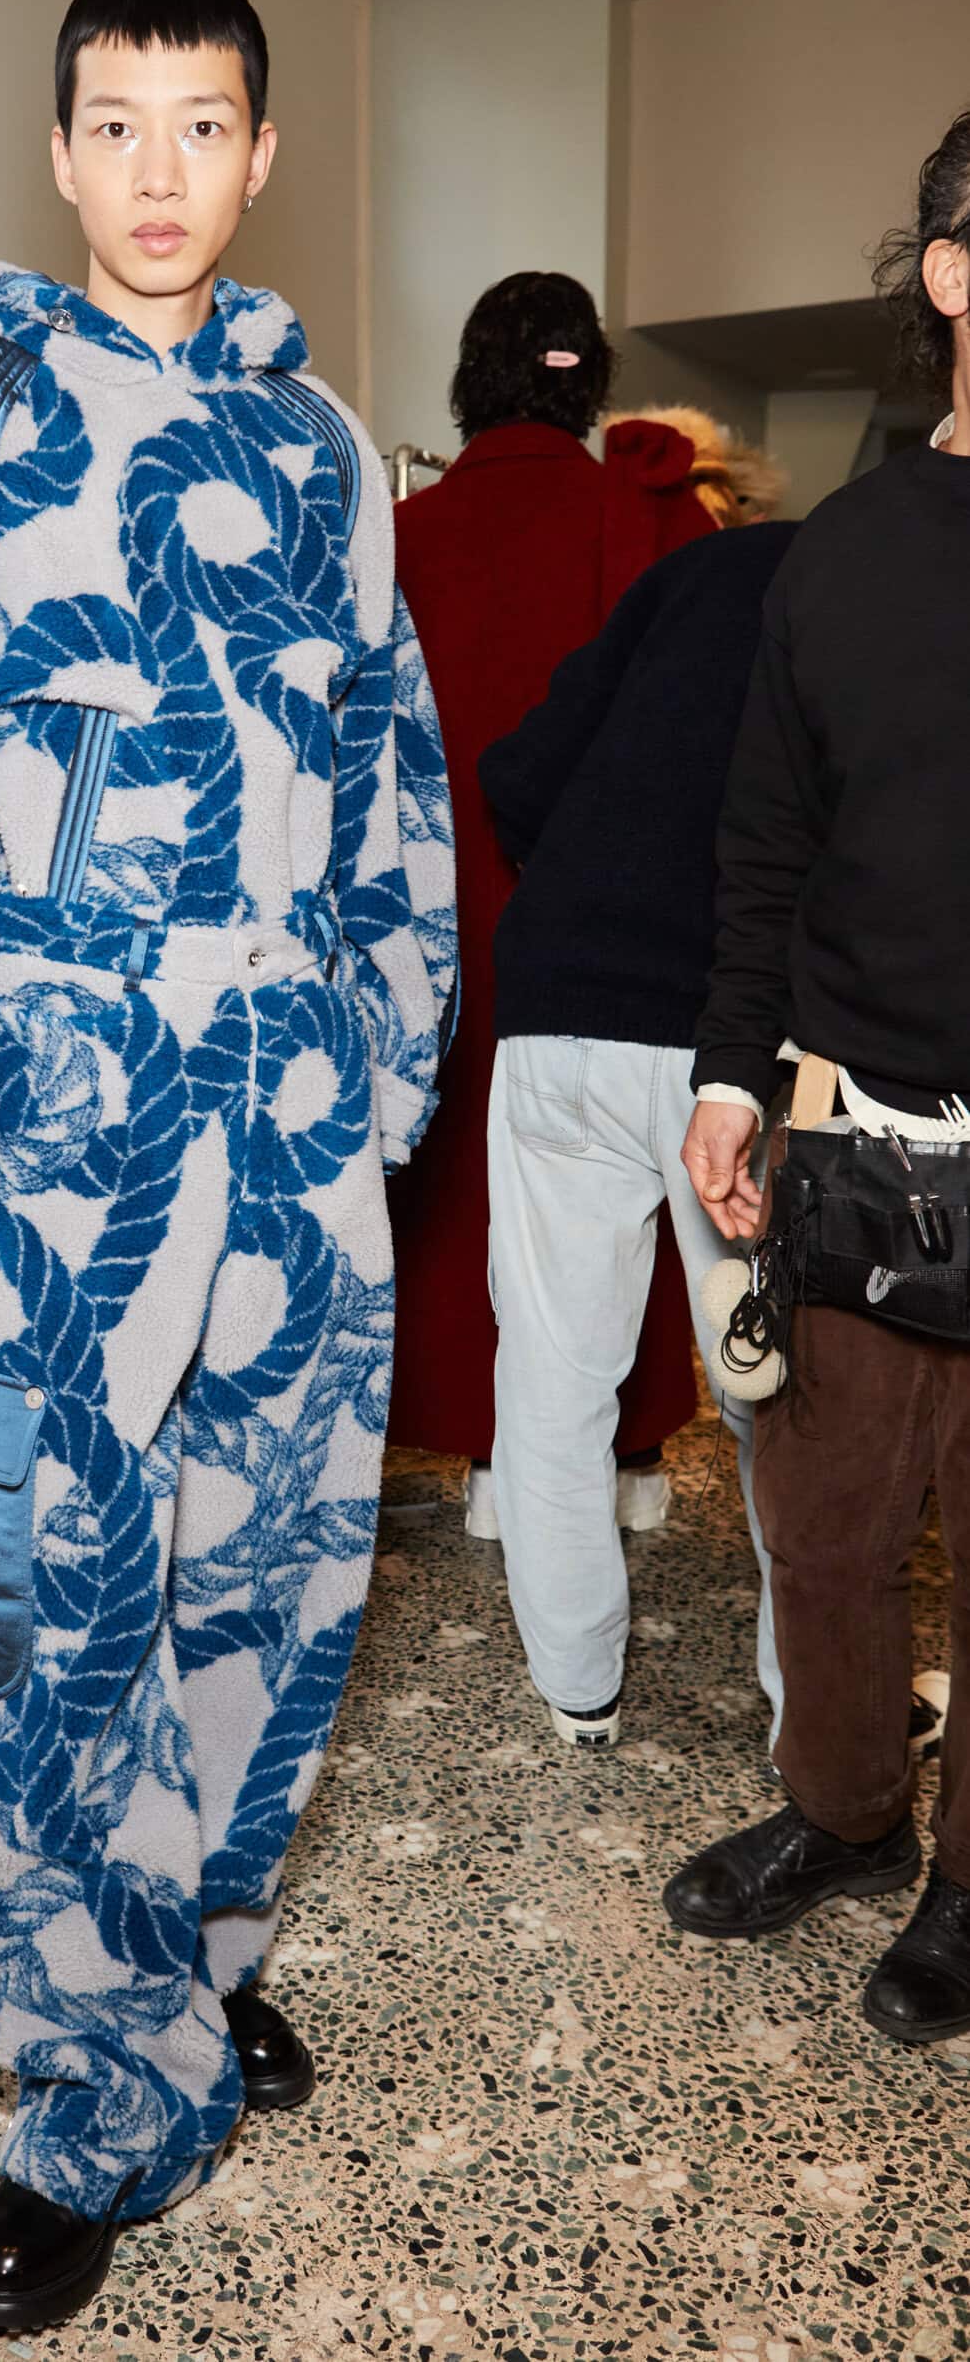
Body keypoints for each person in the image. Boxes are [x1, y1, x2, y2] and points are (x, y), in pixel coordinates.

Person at [0, 0, 455, 2334]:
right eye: (114, 124)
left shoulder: (321, 451)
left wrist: (382, 1073)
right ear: (60, 151)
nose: (156, 170)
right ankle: (86, 2094)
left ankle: (185, 1962)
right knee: (34, 1627)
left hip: (289, 1135)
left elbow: (389, 779)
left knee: (269, 1596)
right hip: (61, 1145)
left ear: (257, 153)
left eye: (201, 125)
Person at [663, 107, 970, 2045]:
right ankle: (846, 1816)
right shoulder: (840, 554)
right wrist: (723, 1077)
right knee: (821, 1532)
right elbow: (762, 846)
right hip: (854, 1141)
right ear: (948, 270)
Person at [476, 415, 791, 1748]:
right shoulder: (867, 598)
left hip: (561, 1000)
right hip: (734, 1029)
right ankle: (810, 1704)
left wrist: (594, 879)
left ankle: (577, 1690)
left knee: (554, 1371)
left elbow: (516, 770)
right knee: (777, 1387)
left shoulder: (677, 583)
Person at [387, 276, 716, 1540]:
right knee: (631, 1186)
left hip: (439, 914)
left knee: (460, 1184)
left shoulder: (401, 536)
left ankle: (490, 1457)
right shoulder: (656, 522)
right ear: (589, 381)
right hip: (621, 924)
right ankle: (629, 1446)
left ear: (471, 377)